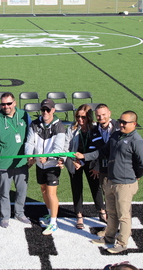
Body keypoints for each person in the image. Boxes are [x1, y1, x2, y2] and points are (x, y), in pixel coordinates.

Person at [75, 111, 143, 254]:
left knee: (123, 214)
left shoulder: (136, 140)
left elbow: (142, 163)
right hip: (111, 181)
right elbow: (102, 152)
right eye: (120, 121)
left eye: (125, 122)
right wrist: (84, 156)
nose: (122, 124)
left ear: (134, 124)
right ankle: (109, 237)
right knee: (111, 212)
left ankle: (122, 242)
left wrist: (137, 176)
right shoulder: (116, 135)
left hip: (125, 184)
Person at [0, 92, 31, 228]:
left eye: (9, 103)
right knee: (4, 191)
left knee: (21, 190)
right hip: (3, 163)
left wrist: (32, 155)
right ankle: (5, 216)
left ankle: (20, 213)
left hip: (21, 161)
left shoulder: (24, 115)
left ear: (14, 103)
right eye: (3, 104)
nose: (6, 106)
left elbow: (32, 135)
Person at [25, 99, 65, 235]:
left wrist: (47, 157)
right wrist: (29, 156)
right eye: (43, 110)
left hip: (52, 164)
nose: (45, 112)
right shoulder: (35, 124)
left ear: (53, 110)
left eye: (48, 110)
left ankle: (54, 223)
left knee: (51, 193)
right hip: (39, 165)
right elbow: (29, 142)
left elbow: (59, 148)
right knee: (43, 189)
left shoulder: (59, 126)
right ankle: (49, 213)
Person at [64, 104, 106, 229]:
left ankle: (101, 211)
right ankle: (79, 215)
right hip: (75, 161)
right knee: (76, 188)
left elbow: (101, 150)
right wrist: (72, 161)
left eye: (83, 117)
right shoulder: (71, 128)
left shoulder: (95, 129)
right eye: (78, 116)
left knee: (96, 188)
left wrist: (97, 167)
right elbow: (66, 147)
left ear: (89, 117)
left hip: (91, 162)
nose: (80, 120)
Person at [89, 103, 120, 236]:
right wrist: (96, 166)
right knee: (108, 199)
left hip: (119, 170)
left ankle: (123, 230)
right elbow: (95, 151)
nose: (101, 117)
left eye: (103, 114)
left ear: (109, 113)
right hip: (103, 170)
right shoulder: (95, 130)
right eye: (98, 115)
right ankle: (110, 227)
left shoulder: (120, 128)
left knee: (120, 200)